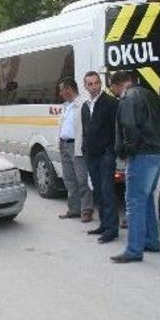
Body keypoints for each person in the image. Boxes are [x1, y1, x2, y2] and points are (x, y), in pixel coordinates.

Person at [111, 71, 160, 263]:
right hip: (156, 153)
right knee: (147, 198)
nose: (116, 94)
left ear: (118, 85)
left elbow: (130, 128)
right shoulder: (151, 95)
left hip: (141, 155)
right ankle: (151, 240)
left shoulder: (128, 97)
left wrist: (127, 151)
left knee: (134, 201)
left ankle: (134, 249)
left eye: (114, 91)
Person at [81, 71, 120, 244]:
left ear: (101, 83)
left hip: (105, 154)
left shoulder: (111, 103)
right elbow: (85, 131)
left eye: (96, 83)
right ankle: (104, 225)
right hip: (91, 155)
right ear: (85, 86)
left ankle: (112, 229)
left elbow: (116, 129)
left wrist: (111, 150)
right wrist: (85, 150)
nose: (93, 86)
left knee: (107, 191)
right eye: (90, 84)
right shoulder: (85, 106)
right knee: (97, 191)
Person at [57, 78, 93, 223]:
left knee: (82, 179)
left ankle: (87, 210)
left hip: (76, 146)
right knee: (69, 179)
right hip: (64, 144)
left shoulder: (82, 104)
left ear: (69, 89)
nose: (60, 93)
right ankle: (74, 209)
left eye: (61, 90)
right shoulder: (66, 106)